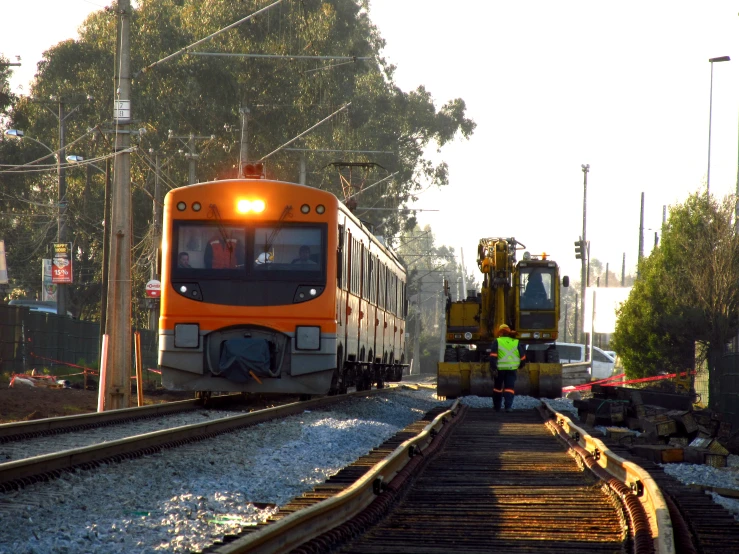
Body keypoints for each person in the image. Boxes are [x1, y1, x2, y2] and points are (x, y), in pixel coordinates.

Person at [489, 323, 527, 412]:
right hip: (511, 369)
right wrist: (521, 365)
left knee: (497, 388)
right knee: (509, 388)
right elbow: (523, 357)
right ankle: (508, 407)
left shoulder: (497, 341)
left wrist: (493, 367)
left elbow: (493, 356)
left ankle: (497, 407)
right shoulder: (516, 342)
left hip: (499, 369)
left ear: (500, 332)